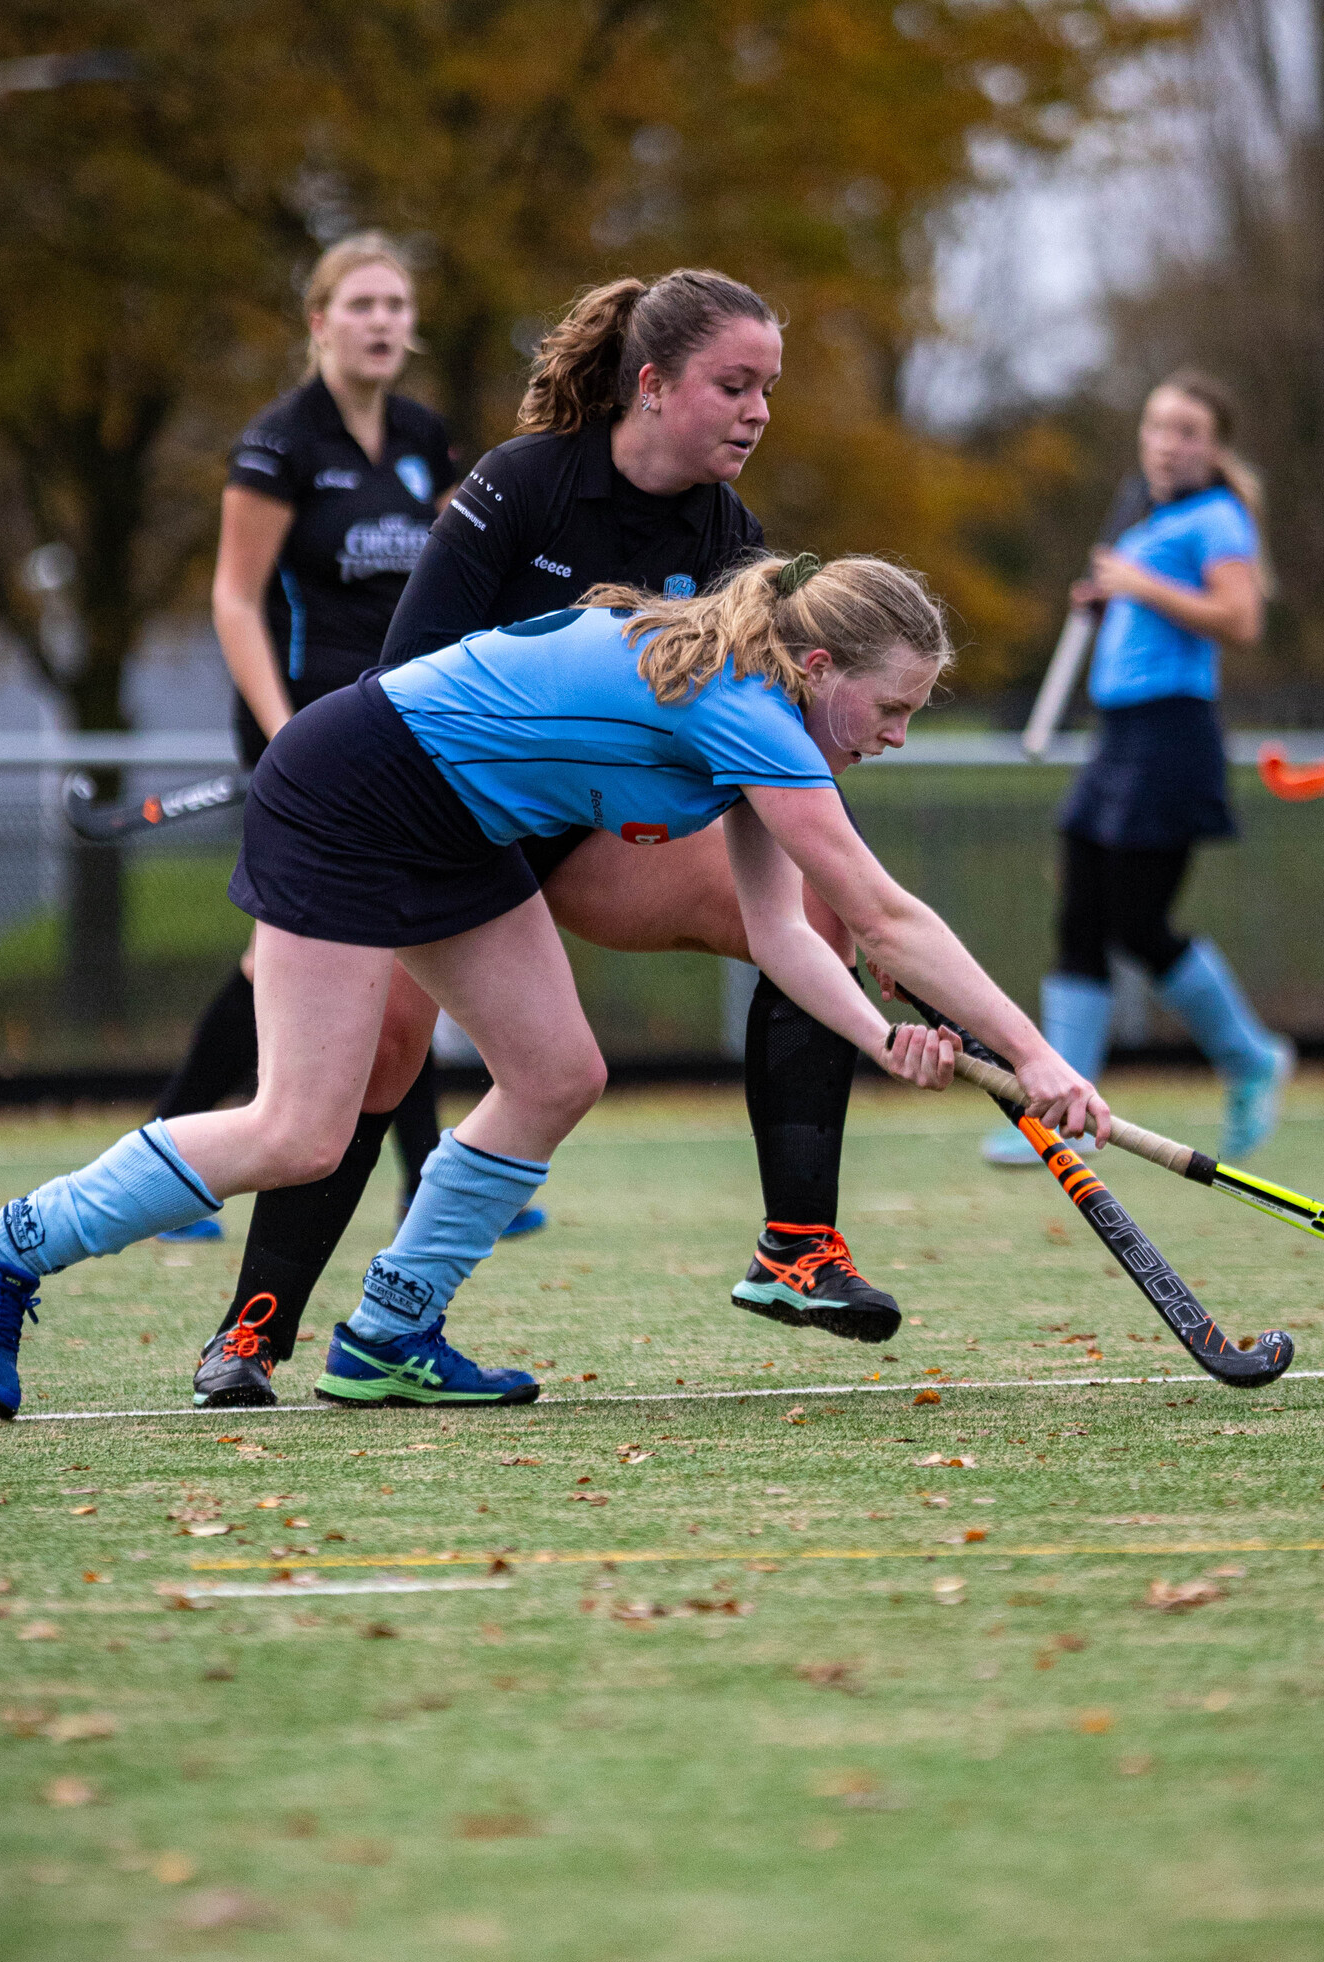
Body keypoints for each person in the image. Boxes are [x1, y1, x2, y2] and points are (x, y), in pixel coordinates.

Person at [0, 556, 1110, 1422]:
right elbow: (888, 912)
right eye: (890, 707)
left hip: (451, 827)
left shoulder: (761, 713)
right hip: (350, 800)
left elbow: (793, 931)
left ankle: (390, 1330)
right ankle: (0, 1247)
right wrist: (1043, 1059)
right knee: (299, 1128)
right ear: (815, 667)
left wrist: (873, 1031)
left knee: (554, 1075)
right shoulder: (747, 703)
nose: (896, 734)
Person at [188, 268, 906, 1415]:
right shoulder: (519, 486)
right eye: (737, 385)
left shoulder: (733, 535)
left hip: (580, 832)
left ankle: (798, 1247)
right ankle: (252, 1336)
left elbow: (752, 730)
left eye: (770, 388)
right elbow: (410, 677)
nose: (760, 412)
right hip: (445, 811)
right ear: (655, 385)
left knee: (816, 915)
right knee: (376, 1055)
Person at [148, 231, 471, 1242]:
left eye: (396, 305)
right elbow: (235, 600)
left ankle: (173, 1152)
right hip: (301, 735)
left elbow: (461, 582)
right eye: (362, 304)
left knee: (357, 952)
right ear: (319, 321)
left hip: (400, 732)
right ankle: (417, 1175)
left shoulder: (424, 438)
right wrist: (284, 736)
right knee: (362, 947)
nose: (383, 322)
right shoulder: (281, 442)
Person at [984, 372, 1291, 1168]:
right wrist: (1105, 600)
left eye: (1187, 430)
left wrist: (1138, 585)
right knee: (1082, 915)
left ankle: (1250, 1057)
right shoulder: (1147, 515)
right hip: (1120, 734)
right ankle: (1054, 1103)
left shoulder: (1217, 517)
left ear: (1214, 446)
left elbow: (1242, 617)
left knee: (1136, 921)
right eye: (1157, 425)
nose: (1167, 441)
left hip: (1172, 732)